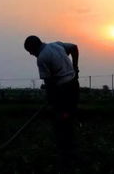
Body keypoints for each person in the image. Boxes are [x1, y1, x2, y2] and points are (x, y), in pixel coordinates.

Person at [24, 35, 80, 173]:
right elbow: (74, 47)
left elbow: (49, 83)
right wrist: (75, 66)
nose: (31, 54)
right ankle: (70, 148)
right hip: (74, 86)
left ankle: (65, 153)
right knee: (68, 117)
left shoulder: (41, 58)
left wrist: (51, 100)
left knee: (60, 120)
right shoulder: (57, 45)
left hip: (63, 91)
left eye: (30, 51)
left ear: (33, 48)